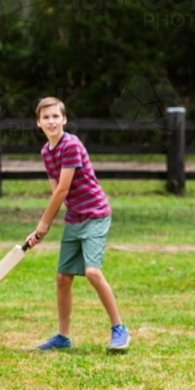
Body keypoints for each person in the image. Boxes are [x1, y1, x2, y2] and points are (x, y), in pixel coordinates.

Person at [25, 97, 129, 352]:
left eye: (55, 116)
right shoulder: (46, 152)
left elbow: (62, 189)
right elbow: (56, 195)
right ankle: (62, 336)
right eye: (46, 117)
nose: (51, 121)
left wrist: (43, 226)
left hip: (95, 214)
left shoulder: (70, 145)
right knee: (63, 277)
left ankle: (119, 329)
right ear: (39, 123)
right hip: (75, 217)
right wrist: (41, 229)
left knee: (92, 272)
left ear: (64, 119)